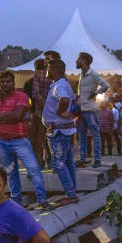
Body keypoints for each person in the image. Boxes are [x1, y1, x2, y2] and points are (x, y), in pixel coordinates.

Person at [0, 70, 49, 208]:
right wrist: (9, 116)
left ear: (13, 83)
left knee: (33, 169)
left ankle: (42, 200)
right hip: (2, 141)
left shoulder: (21, 96)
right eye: (2, 82)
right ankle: (17, 203)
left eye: (8, 81)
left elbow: (18, 116)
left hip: (20, 141)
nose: (5, 84)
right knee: (11, 173)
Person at [41, 60, 79, 207]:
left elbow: (64, 99)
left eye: (48, 69)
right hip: (63, 129)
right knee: (68, 161)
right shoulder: (63, 84)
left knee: (58, 163)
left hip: (59, 131)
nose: (46, 72)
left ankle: (71, 194)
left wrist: (60, 111)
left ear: (53, 70)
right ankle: (72, 192)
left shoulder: (59, 86)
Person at [75, 52, 109, 168]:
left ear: (84, 61)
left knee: (95, 135)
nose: (76, 61)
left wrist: (96, 93)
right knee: (81, 136)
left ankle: (97, 159)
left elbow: (106, 85)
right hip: (81, 109)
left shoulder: (93, 74)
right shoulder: (81, 74)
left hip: (90, 110)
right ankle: (82, 158)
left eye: (78, 59)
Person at [28, 58, 51, 168]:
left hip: (39, 113)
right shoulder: (54, 76)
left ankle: (38, 164)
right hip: (52, 113)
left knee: (37, 142)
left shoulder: (37, 76)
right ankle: (51, 164)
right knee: (50, 141)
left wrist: (43, 103)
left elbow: (35, 93)